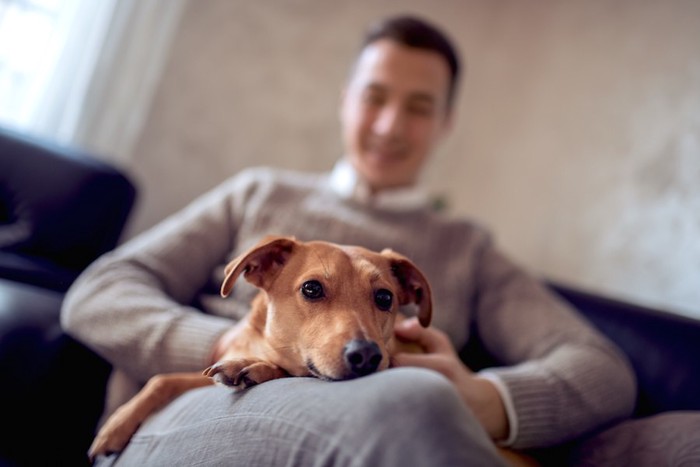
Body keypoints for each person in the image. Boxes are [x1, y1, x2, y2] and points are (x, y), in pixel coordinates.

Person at [62, 14, 637, 466]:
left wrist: (482, 401)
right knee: (410, 403)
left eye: (419, 107)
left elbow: (603, 372)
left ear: (445, 123)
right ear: (345, 99)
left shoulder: (468, 250)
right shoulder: (258, 194)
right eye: (374, 96)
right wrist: (227, 348)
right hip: (200, 413)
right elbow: (98, 293)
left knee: (416, 402)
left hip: (393, 427)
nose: (389, 125)